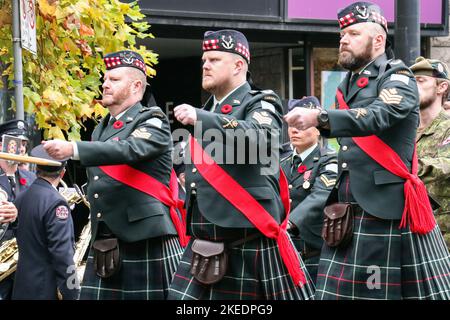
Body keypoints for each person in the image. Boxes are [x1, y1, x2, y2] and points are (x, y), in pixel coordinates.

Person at [284, 2, 450, 300]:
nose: (343, 39)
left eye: (353, 33)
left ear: (378, 40)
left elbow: (379, 115)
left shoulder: (397, 77)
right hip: (349, 207)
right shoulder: (351, 83)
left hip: (384, 208)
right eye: (342, 34)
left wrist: (321, 118)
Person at [168, 29, 315, 300]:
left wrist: (202, 118)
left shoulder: (262, 101)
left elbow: (261, 138)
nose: (205, 65)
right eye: (204, 60)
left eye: (214, 59)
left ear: (238, 65)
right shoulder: (210, 111)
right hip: (204, 241)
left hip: (247, 240)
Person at [42, 50, 185, 300]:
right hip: (108, 239)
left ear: (136, 85)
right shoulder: (101, 128)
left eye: (114, 80)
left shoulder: (152, 119)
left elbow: (129, 149)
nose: (105, 84)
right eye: (105, 79)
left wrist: (74, 148)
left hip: (145, 236)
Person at [281, 96, 337, 284]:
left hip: (312, 255)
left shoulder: (329, 160)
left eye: (302, 126)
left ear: (318, 130)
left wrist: (290, 223)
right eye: (291, 126)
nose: (295, 130)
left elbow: (320, 195)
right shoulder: (280, 161)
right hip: (280, 250)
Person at [12, 145, 78, 300]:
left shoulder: (22, 196)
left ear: (37, 169)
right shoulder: (57, 203)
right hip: (45, 290)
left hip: (22, 287)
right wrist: (72, 292)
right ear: (63, 172)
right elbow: (63, 255)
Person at [410, 57, 450, 248]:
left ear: (441, 87)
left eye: (420, 81)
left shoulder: (447, 127)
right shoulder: (405, 130)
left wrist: (406, 167)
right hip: (411, 235)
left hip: (443, 238)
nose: (412, 87)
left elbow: (445, 165)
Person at [0, 119, 36, 300]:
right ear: (1, 145)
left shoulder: (31, 178)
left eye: (24, 144)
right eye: (15, 143)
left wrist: (19, 214)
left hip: (23, 261)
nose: (21, 149)